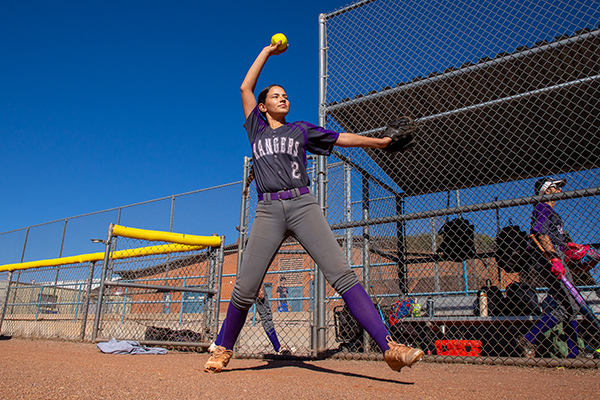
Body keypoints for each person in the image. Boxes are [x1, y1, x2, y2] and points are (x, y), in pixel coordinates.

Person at [204, 39, 424, 373]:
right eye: (275, 95)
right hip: (268, 210)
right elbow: (245, 86)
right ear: (262, 107)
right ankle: (223, 348)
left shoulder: (301, 130)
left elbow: (341, 137)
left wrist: (379, 142)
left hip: (303, 204)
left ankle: (389, 347)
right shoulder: (256, 130)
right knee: (247, 286)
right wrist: (266, 51)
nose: (283, 97)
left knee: (342, 273)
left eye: (285, 94)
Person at [519, 177, 587, 358]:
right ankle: (529, 337)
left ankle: (574, 353)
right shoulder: (543, 207)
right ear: (546, 191)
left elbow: (553, 235)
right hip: (547, 258)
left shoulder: (553, 212)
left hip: (556, 254)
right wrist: (555, 257)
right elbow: (540, 234)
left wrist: (568, 247)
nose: (559, 190)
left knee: (571, 305)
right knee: (569, 305)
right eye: (555, 187)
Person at [210, 284, 295, 355]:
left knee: (234, 314)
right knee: (266, 317)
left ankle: (217, 344)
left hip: (242, 284)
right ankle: (278, 348)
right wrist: (260, 286)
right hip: (254, 284)